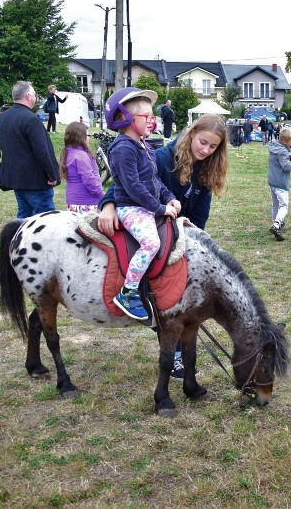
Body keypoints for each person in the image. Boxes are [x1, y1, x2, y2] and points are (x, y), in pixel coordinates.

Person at [98, 112, 228, 378]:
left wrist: (197, 238)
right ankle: (172, 348)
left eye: (213, 146)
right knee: (165, 292)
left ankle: (181, 346)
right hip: (152, 221)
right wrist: (108, 205)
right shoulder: (161, 158)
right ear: (191, 133)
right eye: (202, 142)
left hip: (181, 231)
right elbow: (126, 183)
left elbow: (201, 212)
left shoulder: (209, 166)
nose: (205, 150)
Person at [104, 87, 180, 324]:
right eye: (145, 117)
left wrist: (169, 197)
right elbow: (134, 187)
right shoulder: (123, 148)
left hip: (146, 205)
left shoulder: (145, 146)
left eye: (152, 116)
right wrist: (159, 209)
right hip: (131, 207)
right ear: (125, 118)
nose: (152, 121)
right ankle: (128, 292)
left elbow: (155, 180)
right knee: (151, 243)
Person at [0, 81, 60, 217]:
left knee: (24, 215)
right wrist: (52, 174)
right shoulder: (31, 119)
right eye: (35, 95)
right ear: (29, 96)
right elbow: (42, 151)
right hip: (35, 180)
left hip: (15, 177)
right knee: (45, 218)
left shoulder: (2, 118)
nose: (35, 98)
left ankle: (19, 239)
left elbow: (0, 144)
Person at [59, 121, 103, 213]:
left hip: (73, 202)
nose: (89, 138)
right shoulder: (81, 156)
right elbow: (89, 180)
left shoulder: (69, 152)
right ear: (81, 137)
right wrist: (101, 194)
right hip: (86, 202)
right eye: (88, 135)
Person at [267, 127, 291, 241]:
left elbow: (284, 153)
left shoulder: (275, 147)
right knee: (284, 206)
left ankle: (277, 222)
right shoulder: (282, 151)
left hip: (272, 181)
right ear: (284, 141)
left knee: (276, 204)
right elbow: (286, 166)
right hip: (280, 183)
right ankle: (277, 225)